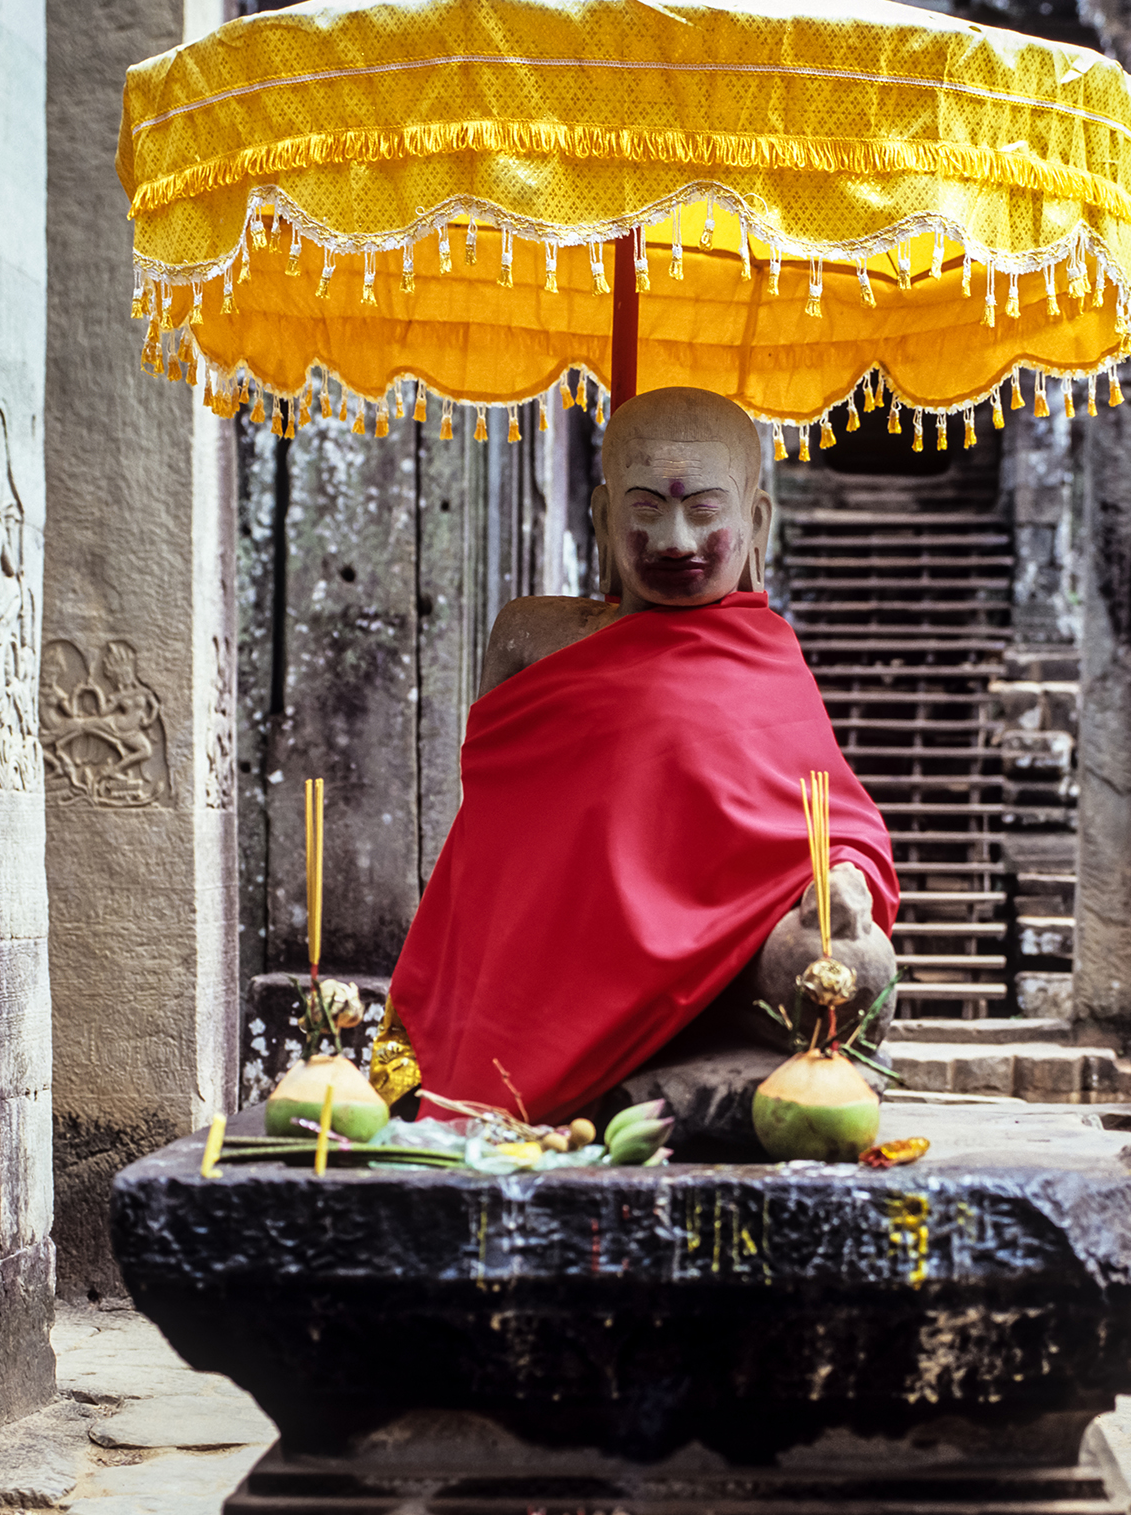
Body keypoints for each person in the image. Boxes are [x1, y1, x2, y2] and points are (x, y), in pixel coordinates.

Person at [384, 385, 899, 1127]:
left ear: (757, 522)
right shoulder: (532, 637)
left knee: (848, 967)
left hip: (725, 957)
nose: (676, 542)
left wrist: (840, 876)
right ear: (602, 517)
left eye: (704, 510)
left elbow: (833, 816)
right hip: (553, 960)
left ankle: (696, 1077)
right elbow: (497, 832)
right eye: (647, 507)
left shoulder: (768, 656)